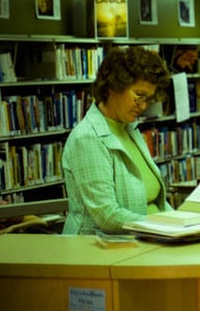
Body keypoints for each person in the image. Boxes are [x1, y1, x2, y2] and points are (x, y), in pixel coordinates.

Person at [62, 46, 173, 235]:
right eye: (139, 96)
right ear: (113, 87)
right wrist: (164, 226)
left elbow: (157, 202)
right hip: (99, 250)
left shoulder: (129, 129)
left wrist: (183, 222)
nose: (144, 106)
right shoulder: (88, 138)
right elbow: (107, 216)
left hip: (146, 238)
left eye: (149, 99)